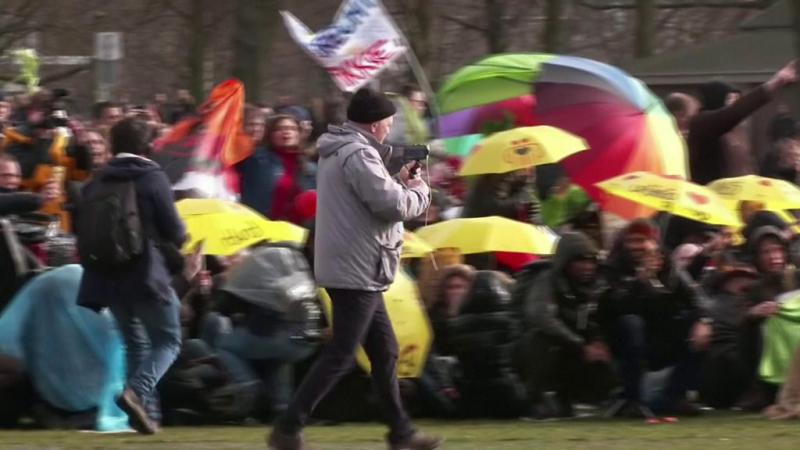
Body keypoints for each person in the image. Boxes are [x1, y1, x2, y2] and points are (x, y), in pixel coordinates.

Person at [268, 88, 440, 450]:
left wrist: (396, 172)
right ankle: (288, 427)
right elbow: (388, 204)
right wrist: (420, 189)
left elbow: (368, 196)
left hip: (354, 263)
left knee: (385, 350)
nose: (390, 129)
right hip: (357, 266)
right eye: (389, 123)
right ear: (377, 124)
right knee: (343, 352)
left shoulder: (342, 149)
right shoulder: (358, 154)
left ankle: (401, 433)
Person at [76, 118, 186, 435]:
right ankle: (136, 393)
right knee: (168, 341)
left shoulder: (96, 181)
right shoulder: (152, 177)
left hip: (106, 276)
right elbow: (174, 231)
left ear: (113, 145)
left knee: (135, 343)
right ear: (149, 145)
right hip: (145, 274)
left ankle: (146, 416)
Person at [602, 219, 713, 417]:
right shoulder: (613, 266)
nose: (635, 246)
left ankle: (675, 397)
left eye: (641, 240)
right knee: (631, 323)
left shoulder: (670, 267)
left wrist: (703, 321)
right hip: (624, 338)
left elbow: (697, 297)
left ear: (653, 243)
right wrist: (639, 281)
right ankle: (632, 400)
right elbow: (614, 304)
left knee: (698, 326)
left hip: (661, 334)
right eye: (631, 241)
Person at [519, 232, 612, 419]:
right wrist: (581, 344)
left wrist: (598, 342)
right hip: (537, 350)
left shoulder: (598, 284)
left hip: (573, 348)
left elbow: (596, 317)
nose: (587, 266)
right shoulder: (545, 280)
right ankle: (537, 399)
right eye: (579, 261)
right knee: (540, 340)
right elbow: (541, 316)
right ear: (565, 261)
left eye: (591, 260)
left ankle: (586, 398)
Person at [688, 60, 797, 184]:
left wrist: (785, 170)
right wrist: (772, 84)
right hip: (716, 196)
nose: (735, 103)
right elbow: (734, 112)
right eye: (730, 98)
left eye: (737, 99)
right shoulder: (702, 123)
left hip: (742, 196)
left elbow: (749, 167)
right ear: (716, 98)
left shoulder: (738, 131)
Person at [236, 112, 316, 223]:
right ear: (270, 134)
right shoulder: (255, 158)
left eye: (292, 129)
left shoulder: (310, 169)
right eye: (279, 129)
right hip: (259, 227)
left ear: (299, 134)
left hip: (297, 232)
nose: (286, 132)